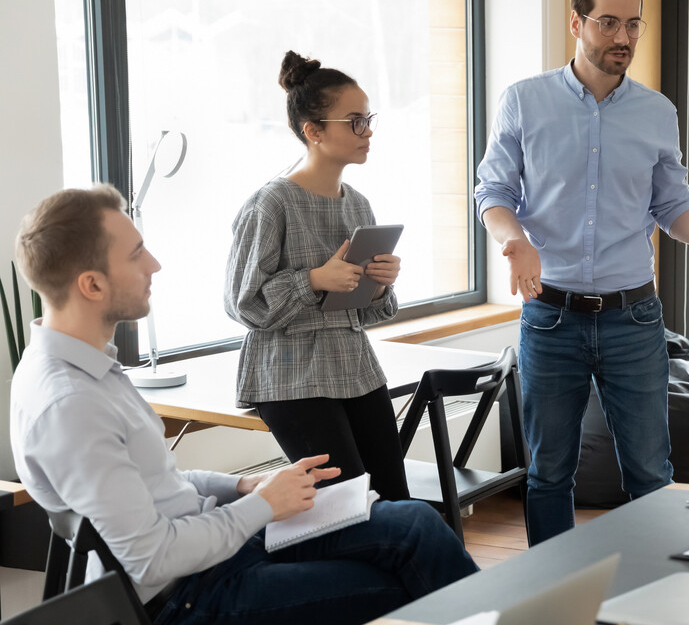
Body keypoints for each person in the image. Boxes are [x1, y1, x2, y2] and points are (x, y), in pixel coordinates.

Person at [10, 185, 477, 625]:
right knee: (401, 578)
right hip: (192, 596)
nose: (154, 264)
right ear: (91, 285)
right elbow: (153, 558)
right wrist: (264, 507)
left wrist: (245, 486)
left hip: (215, 549)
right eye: (136, 254)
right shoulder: (70, 405)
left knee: (414, 523)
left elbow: (159, 482)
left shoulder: (89, 368)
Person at [474, 0, 689, 545]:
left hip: (633, 318)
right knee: (547, 474)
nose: (623, 38)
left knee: (651, 475)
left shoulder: (657, 112)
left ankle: (655, 590)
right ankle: (550, 591)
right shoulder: (524, 101)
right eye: (608, 23)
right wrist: (513, 242)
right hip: (550, 314)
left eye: (633, 25)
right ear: (577, 21)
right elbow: (493, 192)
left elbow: (673, 209)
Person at [225, 51, 409, 500]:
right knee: (346, 507)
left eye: (368, 119)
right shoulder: (271, 203)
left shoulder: (359, 204)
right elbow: (242, 303)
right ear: (314, 131)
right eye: (355, 121)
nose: (367, 132)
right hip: (289, 377)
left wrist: (380, 283)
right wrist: (313, 280)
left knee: (392, 501)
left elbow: (363, 314)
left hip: (355, 369)